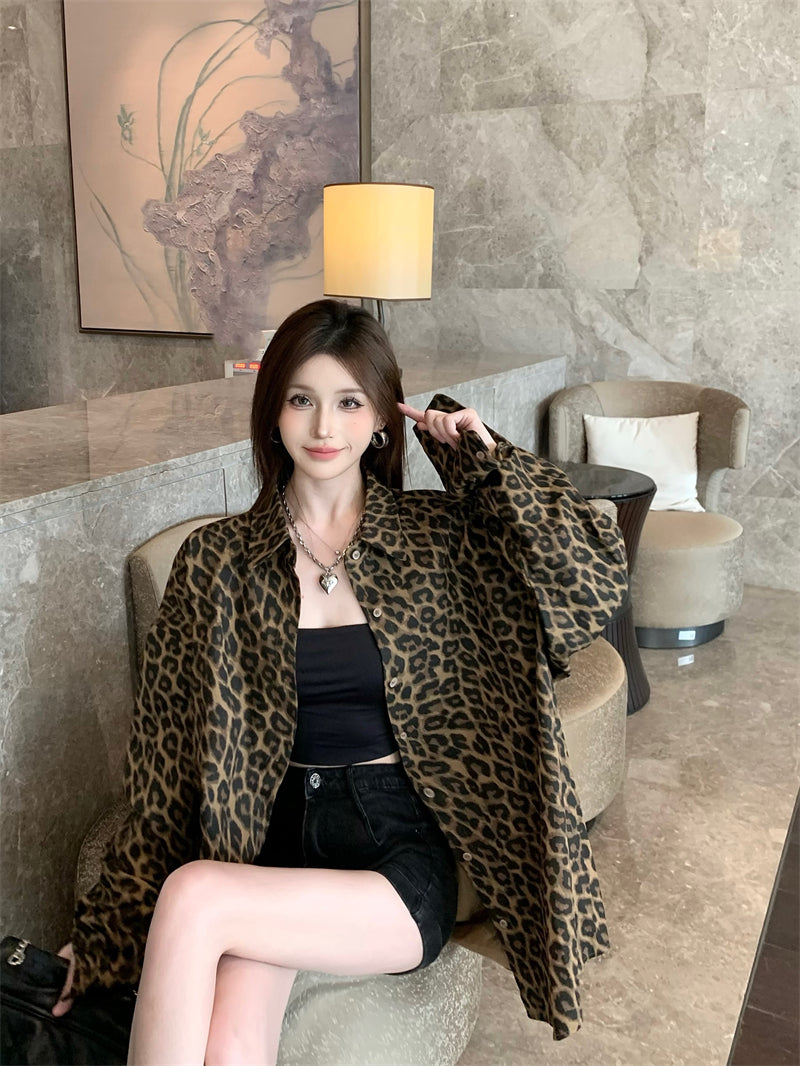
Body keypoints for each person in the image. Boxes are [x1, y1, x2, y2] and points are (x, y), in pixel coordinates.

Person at [53, 299, 628, 1063]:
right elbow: (164, 773)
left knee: (193, 896)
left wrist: (482, 459)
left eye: (350, 402)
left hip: (395, 847)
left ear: (383, 417)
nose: (325, 427)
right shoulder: (216, 564)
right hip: (271, 842)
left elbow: (590, 578)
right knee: (229, 1044)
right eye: (302, 400)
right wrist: (106, 935)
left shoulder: (437, 539)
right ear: (273, 413)